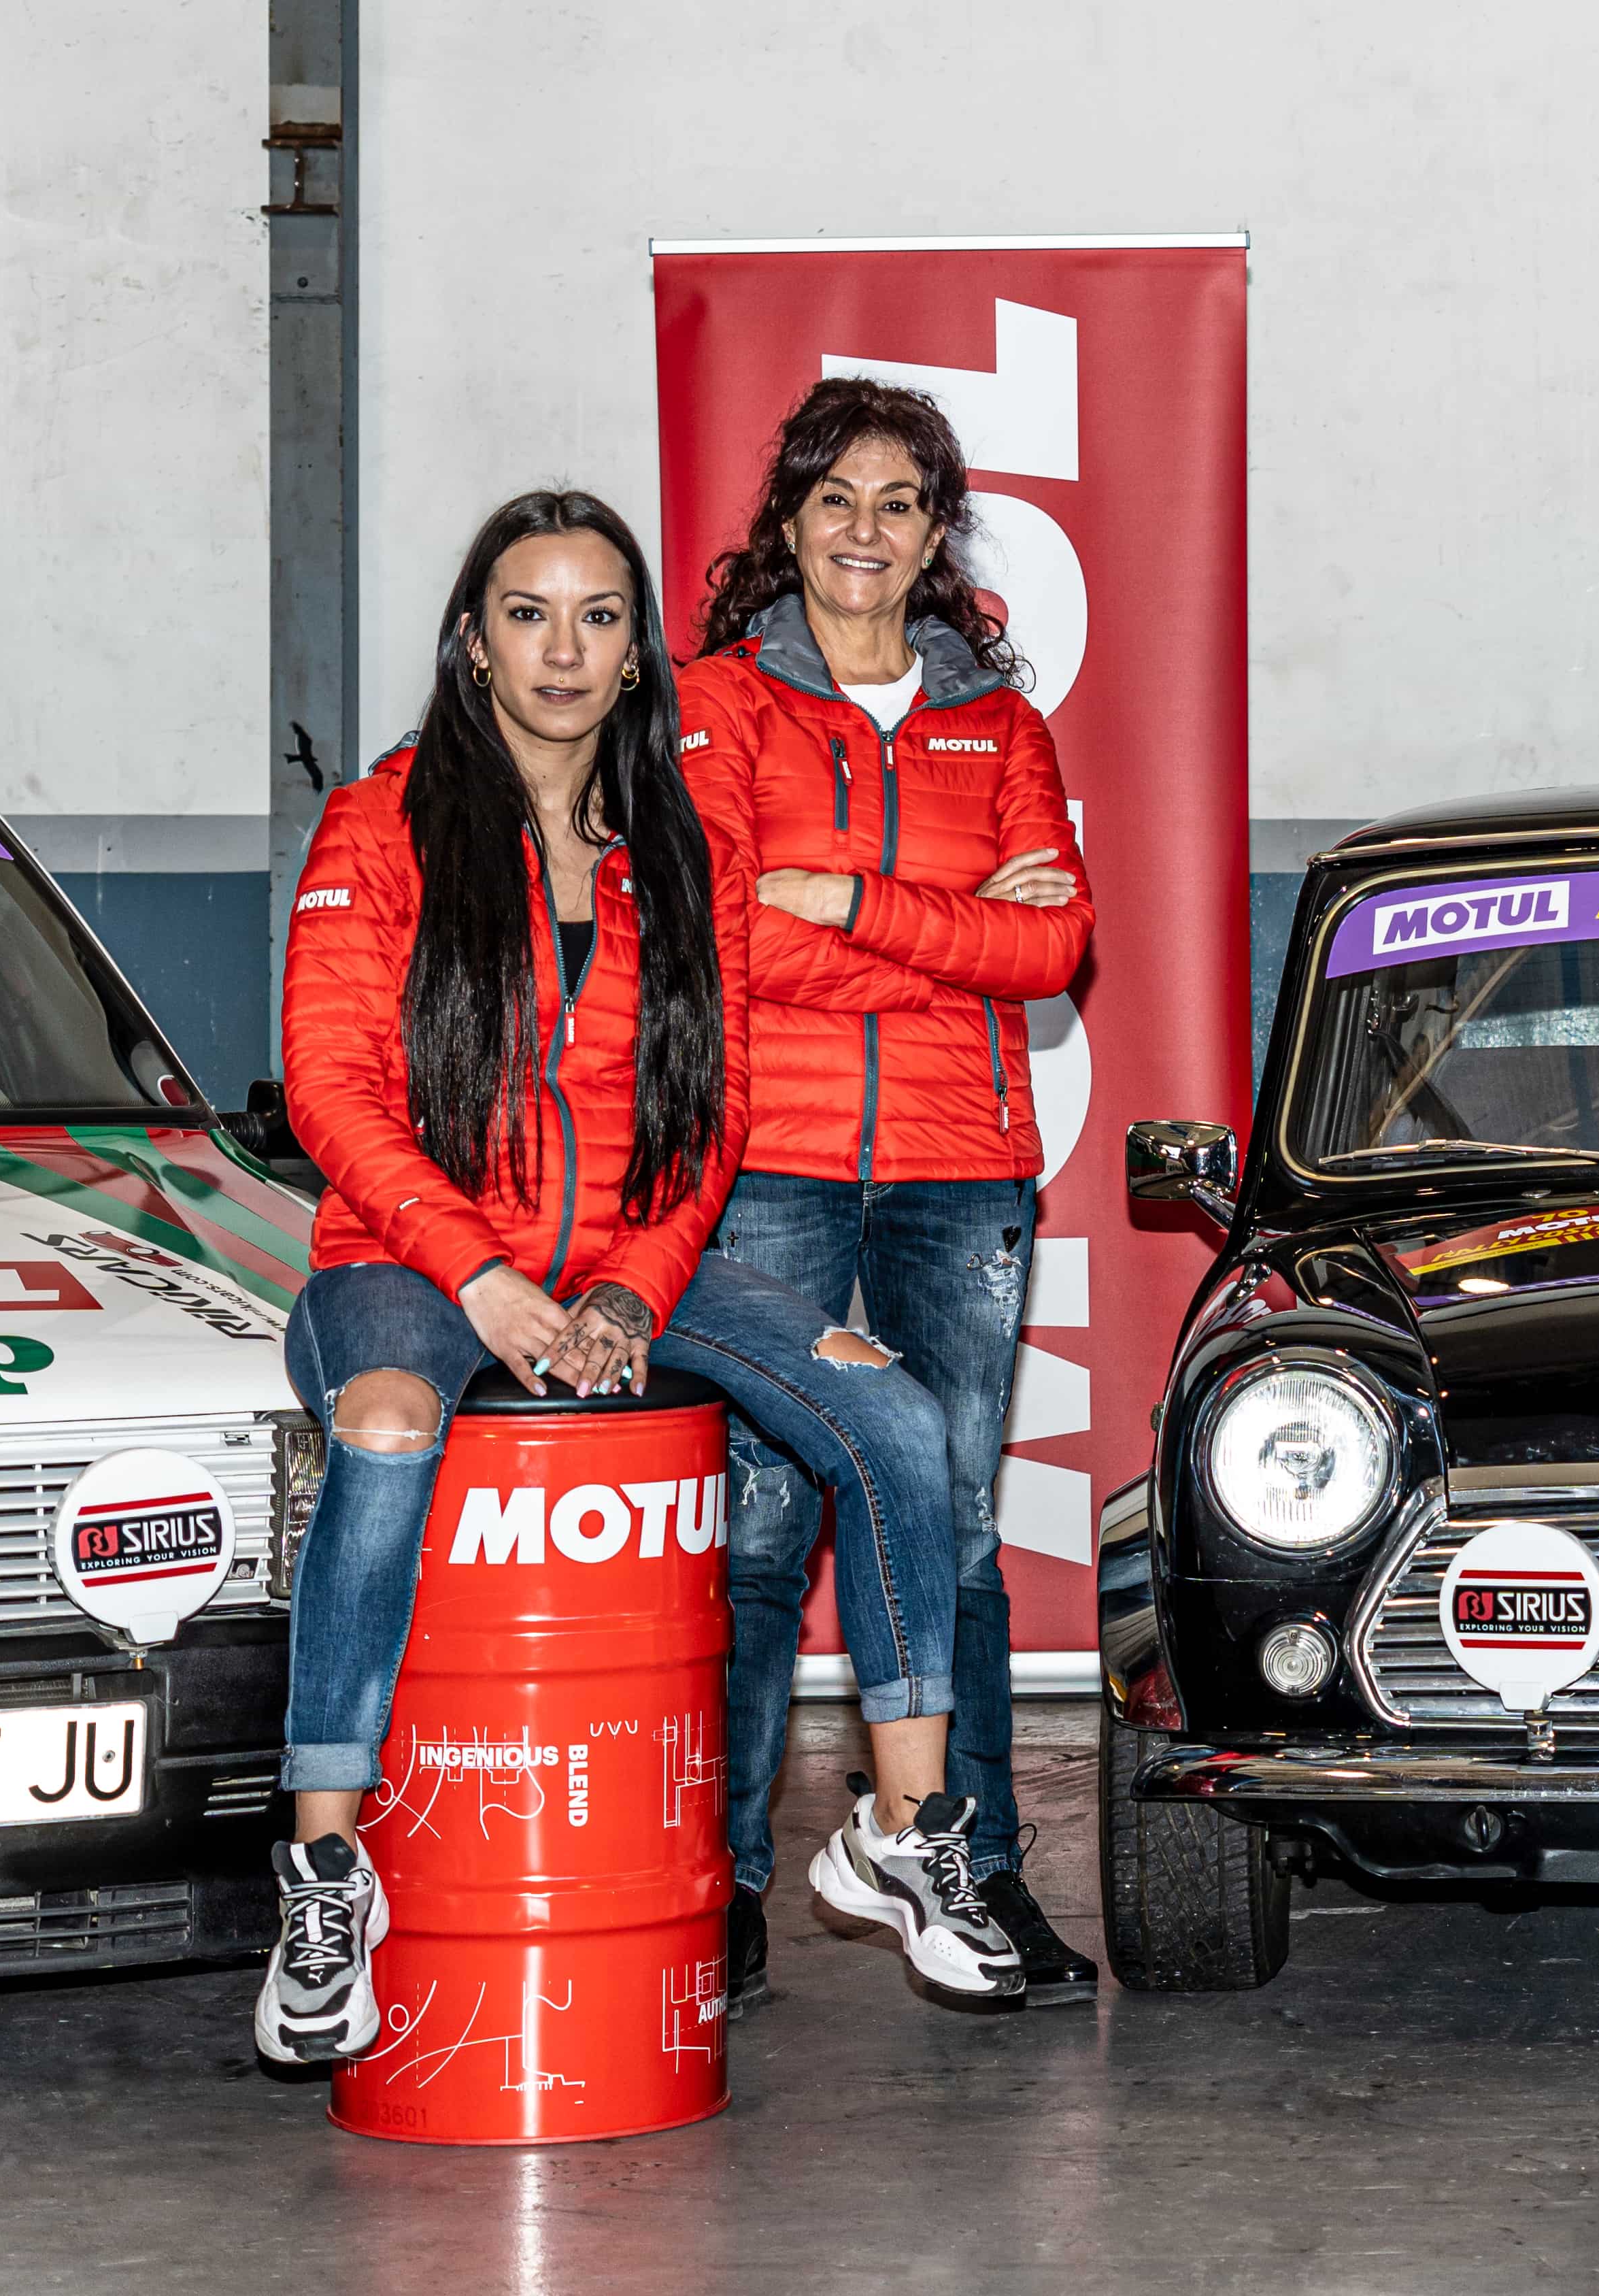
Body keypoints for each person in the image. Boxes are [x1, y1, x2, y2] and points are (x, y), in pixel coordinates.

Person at [258, 489, 1025, 2066]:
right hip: (410, 1263)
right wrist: (476, 1279)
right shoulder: (378, 823)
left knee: (895, 1418)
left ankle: (904, 1827)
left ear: (635, 656)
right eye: (528, 613)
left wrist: (628, 1286)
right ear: (473, 642)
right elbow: (329, 1089)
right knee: (394, 1421)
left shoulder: (674, 845)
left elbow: (714, 1109)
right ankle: (327, 1873)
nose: (563, 646)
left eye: (599, 616)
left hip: (635, 1263)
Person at [679, 379, 1099, 2007]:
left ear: (937, 534)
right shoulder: (713, 707)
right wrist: (946, 923)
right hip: (765, 1164)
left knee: (960, 1531)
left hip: (960, 1175)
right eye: (837, 497)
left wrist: (846, 895)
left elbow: (1054, 945)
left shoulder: (1002, 720)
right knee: (766, 1533)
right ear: (790, 518)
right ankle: (716, 1889)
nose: (866, 528)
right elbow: (721, 942)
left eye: (901, 501)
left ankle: (974, 1866)